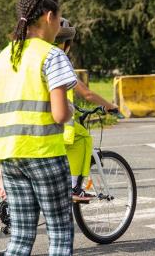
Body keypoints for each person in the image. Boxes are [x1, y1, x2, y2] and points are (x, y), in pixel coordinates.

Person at [0, 0, 75, 256]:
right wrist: (69, 107)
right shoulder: (52, 55)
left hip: (9, 156)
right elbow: (60, 115)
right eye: (59, 19)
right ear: (49, 17)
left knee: (21, 236)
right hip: (44, 153)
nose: (60, 25)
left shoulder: (2, 58)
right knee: (59, 232)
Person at [55, 17, 120, 202]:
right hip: (56, 120)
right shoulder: (59, 58)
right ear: (67, 43)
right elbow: (86, 93)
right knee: (82, 137)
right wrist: (111, 107)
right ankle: (74, 187)